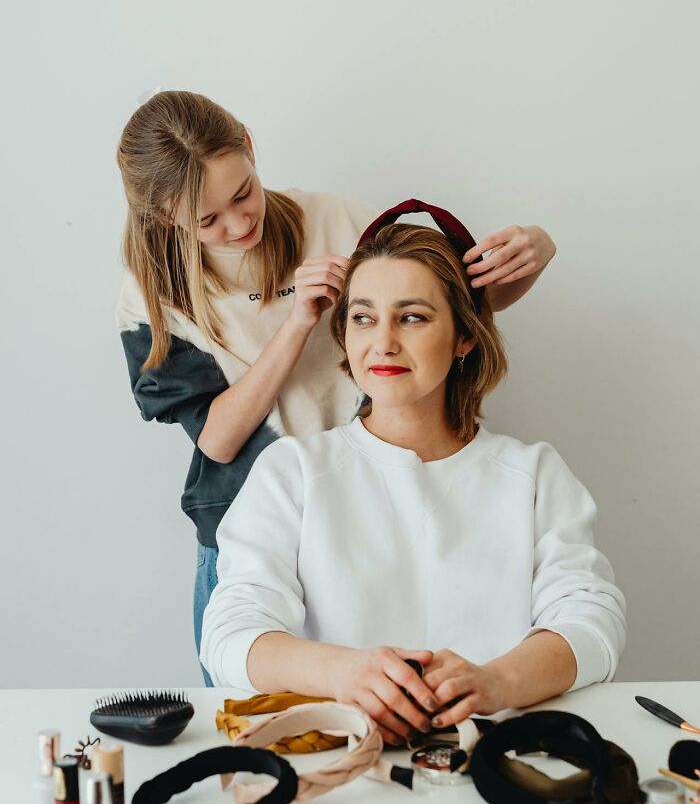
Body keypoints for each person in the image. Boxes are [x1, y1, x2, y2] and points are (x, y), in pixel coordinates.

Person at [116, 91, 557, 684]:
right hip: (246, 529)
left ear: (249, 146)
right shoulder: (152, 294)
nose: (240, 223)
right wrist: (298, 322)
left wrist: (534, 253)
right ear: (163, 216)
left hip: (369, 515)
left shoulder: (339, 221)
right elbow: (216, 440)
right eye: (207, 220)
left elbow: (456, 312)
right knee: (251, 717)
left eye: (243, 193)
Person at [200, 207, 625, 742]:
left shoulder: (533, 474)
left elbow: (592, 624)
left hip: (498, 760)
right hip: (342, 763)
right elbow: (230, 635)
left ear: (464, 337)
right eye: (363, 317)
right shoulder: (293, 471)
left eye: (413, 317)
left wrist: (496, 682)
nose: (383, 342)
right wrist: (345, 674)